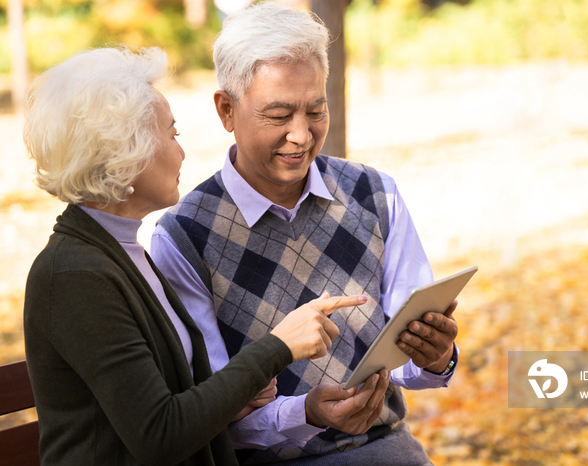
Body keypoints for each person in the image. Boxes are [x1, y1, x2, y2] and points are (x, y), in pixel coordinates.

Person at [22, 46, 368, 466]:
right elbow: (160, 435)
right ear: (124, 151)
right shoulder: (73, 275)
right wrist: (277, 347)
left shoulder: (123, 251)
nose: (181, 152)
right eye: (171, 134)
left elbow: (169, 402)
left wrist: (239, 394)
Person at [151, 3, 460, 465]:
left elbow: (411, 360)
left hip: (387, 449)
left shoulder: (374, 194)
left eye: (316, 109)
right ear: (226, 110)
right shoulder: (184, 237)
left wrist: (435, 356)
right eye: (279, 115)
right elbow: (207, 412)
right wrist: (307, 413)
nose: (301, 135)